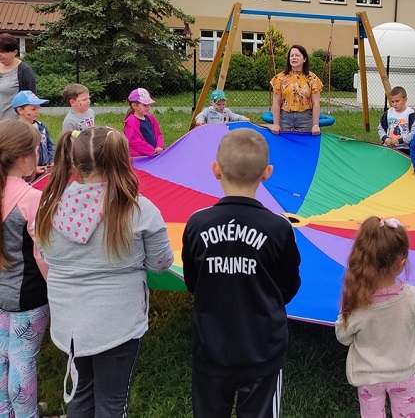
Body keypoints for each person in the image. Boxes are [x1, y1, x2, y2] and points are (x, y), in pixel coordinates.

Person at [35, 127, 174, 416]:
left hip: (68, 323)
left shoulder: (48, 206)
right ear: (123, 161)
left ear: (74, 162)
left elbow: (47, 254)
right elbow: (160, 263)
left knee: (78, 395)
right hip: (118, 325)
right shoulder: (139, 209)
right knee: (112, 403)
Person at [182, 128, 301, 418]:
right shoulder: (278, 227)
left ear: (215, 170)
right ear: (267, 173)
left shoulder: (197, 223)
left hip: (211, 346)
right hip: (262, 348)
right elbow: (288, 286)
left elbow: (193, 281)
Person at [335, 216, 415, 418]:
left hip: (368, 378)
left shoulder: (356, 303)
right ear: (401, 263)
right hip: (403, 374)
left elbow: (343, 337)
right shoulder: (413, 298)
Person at [0, 119, 49, 418]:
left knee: (3, 357)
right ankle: (26, 413)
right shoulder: (32, 199)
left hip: (2, 293)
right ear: (24, 157)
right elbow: (44, 255)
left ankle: (6, 410)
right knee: (23, 361)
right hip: (28, 297)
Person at [270, 45, 323, 135]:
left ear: (304, 59)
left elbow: (316, 103)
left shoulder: (312, 78)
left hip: (305, 118)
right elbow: (276, 101)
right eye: (292, 56)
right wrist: (276, 124)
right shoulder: (280, 78)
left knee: (305, 145)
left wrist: (315, 125)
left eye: (297, 55)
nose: (294, 58)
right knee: (285, 145)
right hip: (285, 118)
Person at [11, 90, 54, 176]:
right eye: (33, 109)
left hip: (44, 170)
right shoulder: (16, 131)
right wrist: (33, 168)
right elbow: (16, 155)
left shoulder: (41, 127)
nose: (37, 111)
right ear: (20, 110)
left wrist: (51, 160)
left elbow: (50, 145)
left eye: (38, 108)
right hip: (26, 175)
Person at [0, 33, 36, 119]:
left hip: (14, 125)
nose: (0, 54)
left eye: (3, 52)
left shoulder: (24, 71)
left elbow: (31, 101)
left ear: (14, 52)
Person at [377, 86, 415, 156]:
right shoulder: (388, 113)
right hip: (388, 147)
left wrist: (400, 141)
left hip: (404, 149)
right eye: (392, 101)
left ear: (405, 100)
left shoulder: (411, 114)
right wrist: (385, 138)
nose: (394, 104)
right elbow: (380, 128)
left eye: (397, 101)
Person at [123, 88, 165, 157]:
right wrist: (151, 151)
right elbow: (134, 141)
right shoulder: (130, 122)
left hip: (154, 154)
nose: (148, 107)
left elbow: (158, 133)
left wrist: (159, 146)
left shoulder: (151, 118)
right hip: (140, 157)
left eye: (149, 105)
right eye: (145, 105)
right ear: (134, 106)